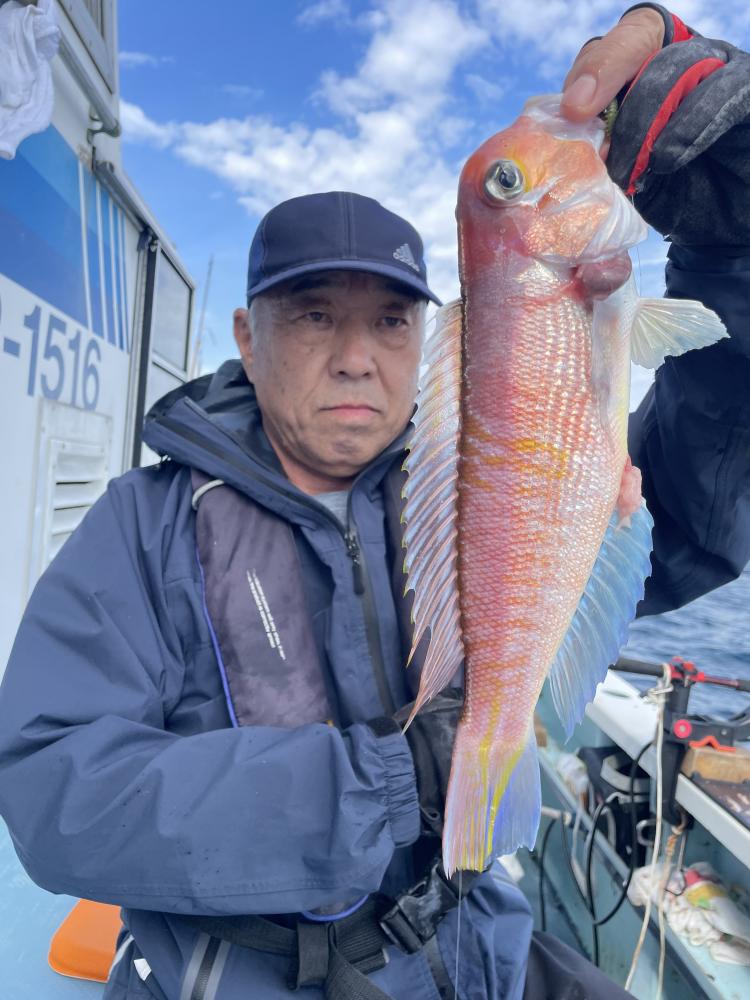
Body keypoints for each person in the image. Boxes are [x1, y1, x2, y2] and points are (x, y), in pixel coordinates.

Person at [1, 4, 749, 998]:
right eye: (315, 316)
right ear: (246, 336)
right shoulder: (145, 525)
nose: (357, 356)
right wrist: (393, 779)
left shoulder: (473, 482)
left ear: (431, 337)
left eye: (392, 320)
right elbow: (55, 793)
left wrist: (732, 259)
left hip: (477, 947)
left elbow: (694, 512)